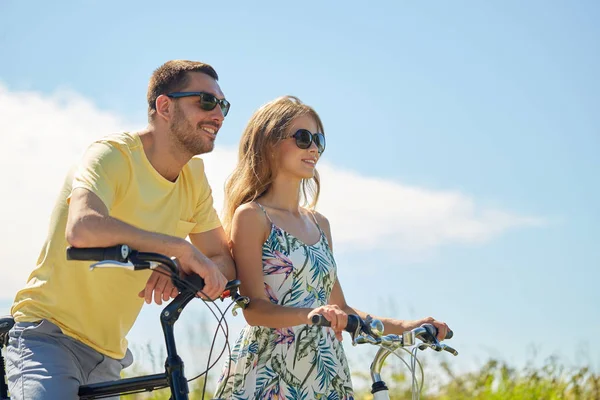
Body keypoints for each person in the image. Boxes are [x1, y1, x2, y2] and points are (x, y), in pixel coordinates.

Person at [6, 60, 236, 400]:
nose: (218, 114)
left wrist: (179, 271)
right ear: (164, 106)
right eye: (206, 101)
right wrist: (180, 249)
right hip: (48, 338)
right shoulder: (111, 155)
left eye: (223, 105)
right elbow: (83, 227)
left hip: (109, 357)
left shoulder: (194, 180)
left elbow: (223, 260)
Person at [214, 96, 451, 399]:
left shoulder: (319, 223)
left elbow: (341, 308)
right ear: (269, 143)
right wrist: (311, 314)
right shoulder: (251, 216)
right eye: (303, 138)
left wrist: (405, 325)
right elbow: (255, 309)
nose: (313, 148)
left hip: (324, 371)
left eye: (318, 140)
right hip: (269, 371)